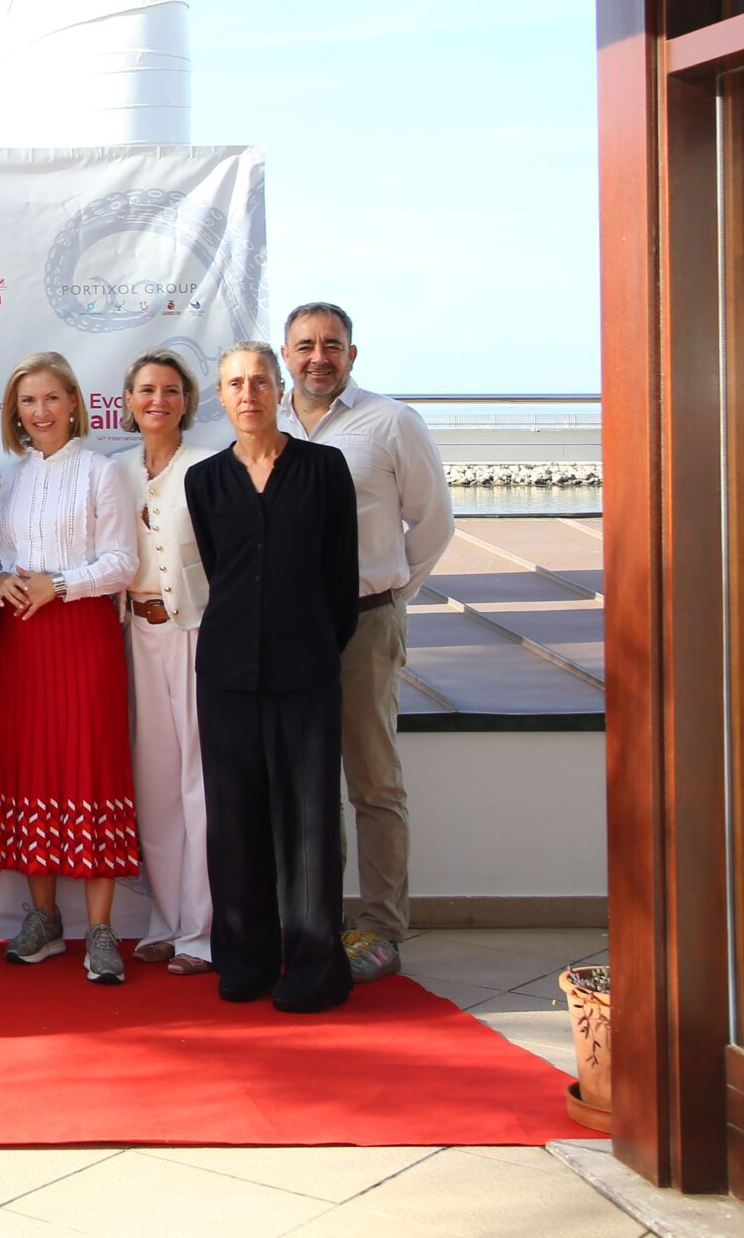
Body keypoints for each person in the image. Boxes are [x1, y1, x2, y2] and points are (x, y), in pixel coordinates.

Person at [275, 301, 453, 983]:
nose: (318, 357)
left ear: (352, 353)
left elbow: (433, 523)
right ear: (286, 355)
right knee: (305, 783)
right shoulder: (265, 422)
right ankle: (318, 920)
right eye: (305, 345)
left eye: (332, 344)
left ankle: (380, 927)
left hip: (366, 621)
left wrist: (389, 595)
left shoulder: (391, 422)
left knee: (373, 781)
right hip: (290, 630)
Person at [187, 339, 360, 1013]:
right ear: (221, 396)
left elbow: (340, 578)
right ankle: (246, 958)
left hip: (306, 670)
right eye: (235, 383)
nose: (248, 394)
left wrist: (312, 645)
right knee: (235, 820)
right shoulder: (205, 480)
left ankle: (316, 966)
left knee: (309, 821)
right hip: (226, 672)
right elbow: (221, 568)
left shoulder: (324, 469)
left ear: (279, 387)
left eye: (259, 380)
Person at [0, 350, 142, 983]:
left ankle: (100, 929)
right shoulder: (9, 478)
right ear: (15, 411)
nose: (40, 411)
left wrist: (61, 585)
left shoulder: (102, 472)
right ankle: (44, 919)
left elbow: (122, 563)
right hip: (21, 638)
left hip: (84, 634)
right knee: (32, 766)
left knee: (92, 765)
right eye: (28, 401)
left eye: (51, 398)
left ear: (74, 402)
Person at [113, 350, 215, 976]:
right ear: (128, 400)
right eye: (147, 390)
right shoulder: (115, 471)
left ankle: (202, 933)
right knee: (154, 783)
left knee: (198, 782)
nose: (158, 400)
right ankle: (165, 922)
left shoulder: (209, 467)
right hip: (136, 633)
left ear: (187, 401)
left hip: (196, 632)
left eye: (171, 390)